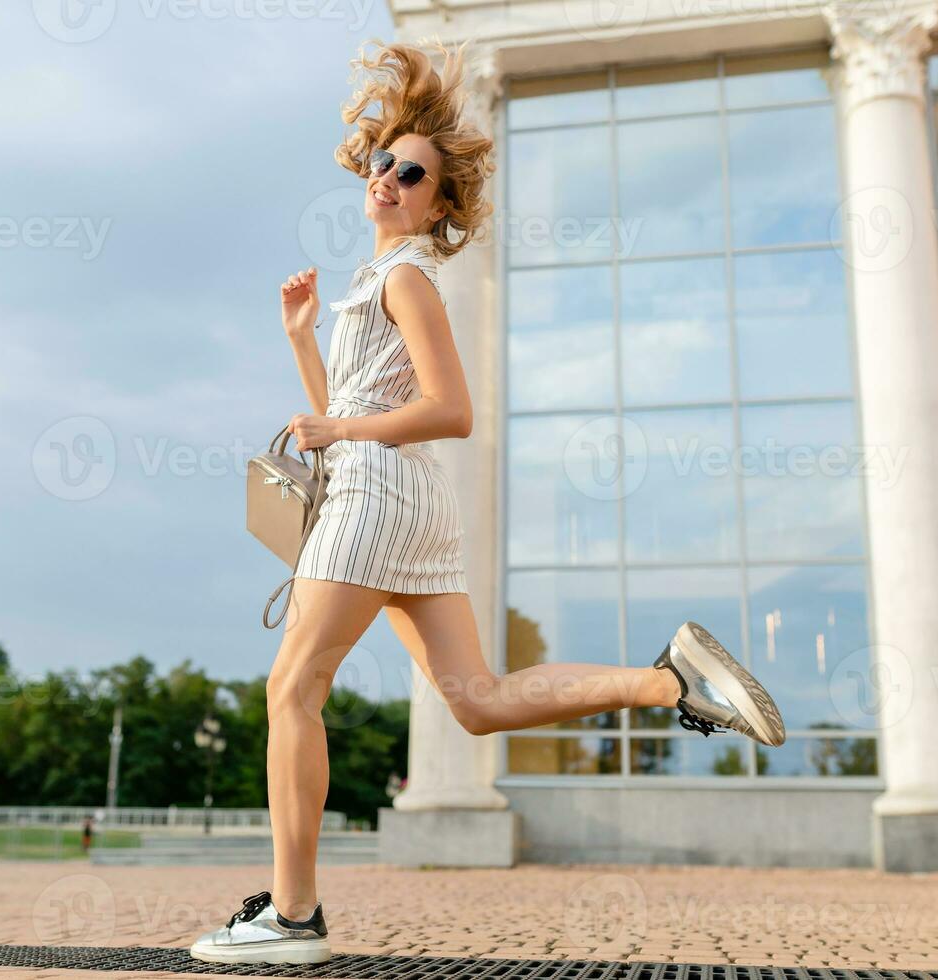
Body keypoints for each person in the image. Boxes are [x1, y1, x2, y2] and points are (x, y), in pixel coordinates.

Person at [188, 38, 787, 967]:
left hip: (378, 500)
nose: (389, 177)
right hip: (404, 505)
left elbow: (449, 410)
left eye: (412, 173)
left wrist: (342, 433)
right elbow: (342, 410)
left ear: (438, 200)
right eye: (383, 162)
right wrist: (302, 338)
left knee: (291, 689)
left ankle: (294, 916)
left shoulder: (409, 276)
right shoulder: (370, 282)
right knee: (476, 700)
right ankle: (670, 681)